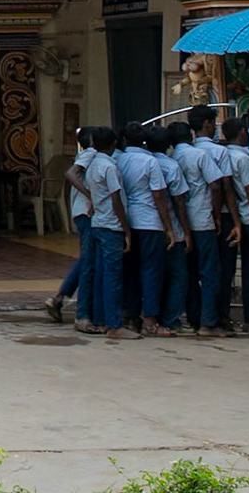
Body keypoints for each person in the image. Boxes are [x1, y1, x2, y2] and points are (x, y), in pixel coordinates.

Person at [172, 113, 230, 337]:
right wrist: (217, 215)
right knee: (209, 272)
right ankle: (208, 321)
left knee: (190, 271)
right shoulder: (199, 155)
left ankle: (195, 318)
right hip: (203, 218)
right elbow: (216, 185)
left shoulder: (172, 157)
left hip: (183, 220)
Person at [114, 122, 175, 336]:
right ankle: (150, 319)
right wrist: (169, 227)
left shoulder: (117, 160)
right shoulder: (150, 162)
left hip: (126, 221)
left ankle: (131, 317)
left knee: (130, 271)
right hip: (149, 221)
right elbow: (159, 195)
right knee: (151, 271)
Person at [44, 127, 97, 325]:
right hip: (87, 213)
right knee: (88, 262)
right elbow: (71, 174)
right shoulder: (90, 154)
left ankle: (60, 297)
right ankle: (82, 312)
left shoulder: (88, 155)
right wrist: (90, 194)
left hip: (83, 213)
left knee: (87, 259)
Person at [84, 126, 131, 338]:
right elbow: (116, 199)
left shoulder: (93, 165)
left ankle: (101, 319)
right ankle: (114, 325)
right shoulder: (109, 167)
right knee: (112, 276)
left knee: (102, 274)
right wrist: (126, 229)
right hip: (111, 225)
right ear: (114, 144)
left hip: (98, 223)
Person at [146, 126, 192, 333]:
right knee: (178, 275)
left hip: (146, 225)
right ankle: (171, 317)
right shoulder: (171, 166)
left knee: (153, 273)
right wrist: (186, 231)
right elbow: (179, 202)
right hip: (170, 225)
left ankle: (151, 316)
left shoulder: (141, 162)